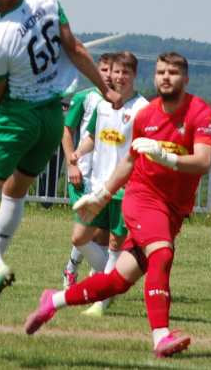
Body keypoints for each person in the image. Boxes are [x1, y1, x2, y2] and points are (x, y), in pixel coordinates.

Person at [0, 0, 122, 319]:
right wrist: (103, 87)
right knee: (14, 192)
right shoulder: (46, 0)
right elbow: (74, 48)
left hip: (18, 116)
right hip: (50, 117)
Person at [24, 52, 211, 358]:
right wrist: (101, 196)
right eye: (161, 72)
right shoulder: (146, 115)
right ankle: (161, 337)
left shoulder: (200, 112)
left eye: (173, 73)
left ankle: (53, 301)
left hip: (173, 209)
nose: (166, 77)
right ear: (155, 77)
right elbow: (129, 161)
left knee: (117, 282)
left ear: (186, 79)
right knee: (161, 254)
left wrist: (167, 157)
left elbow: (203, 161)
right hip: (142, 197)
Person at [66, 51, 147, 316]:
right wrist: (79, 153)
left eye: (125, 72)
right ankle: (111, 282)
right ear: (108, 74)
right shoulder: (101, 104)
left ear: (134, 75)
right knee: (79, 237)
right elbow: (92, 135)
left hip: (126, 188)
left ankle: (102, 301)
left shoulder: (142, 108)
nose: (119, 77)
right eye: (115, 72)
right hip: (98, 187)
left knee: (114, 244)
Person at [59, 53, 113, 287]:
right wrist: (72, 164)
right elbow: (67, 130)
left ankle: (95, 279)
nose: (109, 75)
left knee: (101, 231)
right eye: (104, 70)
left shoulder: (120, 101)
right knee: (85, 226)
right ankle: (73, 270)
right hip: (83, 173)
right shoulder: (85, 97)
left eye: (114, 70)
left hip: (108, 174)